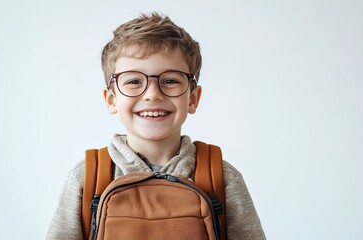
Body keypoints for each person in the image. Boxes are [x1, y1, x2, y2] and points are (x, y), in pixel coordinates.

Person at [46, 12, 266, 240]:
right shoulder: (86, 178)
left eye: (170, 80)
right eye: (133, 81)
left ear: (192, 99)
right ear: (111, 100)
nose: (152, 94)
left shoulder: (223, 178)